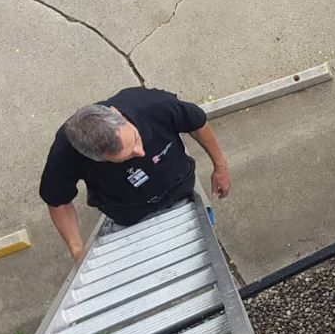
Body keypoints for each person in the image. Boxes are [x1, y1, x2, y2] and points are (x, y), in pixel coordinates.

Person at [40, 87, 231, 262]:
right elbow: (58, 201)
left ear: (117, 113)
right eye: (128, 155)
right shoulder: (66, 154)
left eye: (136, 139)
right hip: (129, 212)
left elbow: (197, 122)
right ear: (95, 158)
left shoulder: (154, 105)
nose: (140, 152)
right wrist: (77, 249)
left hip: (181, 186)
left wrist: (220, 167)